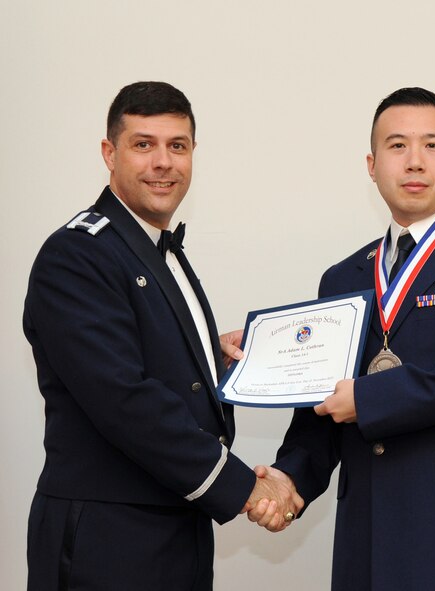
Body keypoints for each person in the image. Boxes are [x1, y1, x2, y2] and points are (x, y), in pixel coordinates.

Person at [244, 87, 435, 590]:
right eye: (396, 145)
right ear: (371, 164)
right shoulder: (342, 278)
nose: (414, 161)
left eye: (432, 145)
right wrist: (288, 479)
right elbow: (321, 409)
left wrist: (370, 396)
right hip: (370, 529)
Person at [24, 81, 302, 591]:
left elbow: (143, 354)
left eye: (178, 146)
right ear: (110, 153)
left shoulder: (156, 249)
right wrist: (243, 486)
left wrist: (207, 356)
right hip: (108, 537)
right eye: (143, 144)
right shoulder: (76, 254)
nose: (163, 161)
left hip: (175, 522)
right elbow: (123, 397)